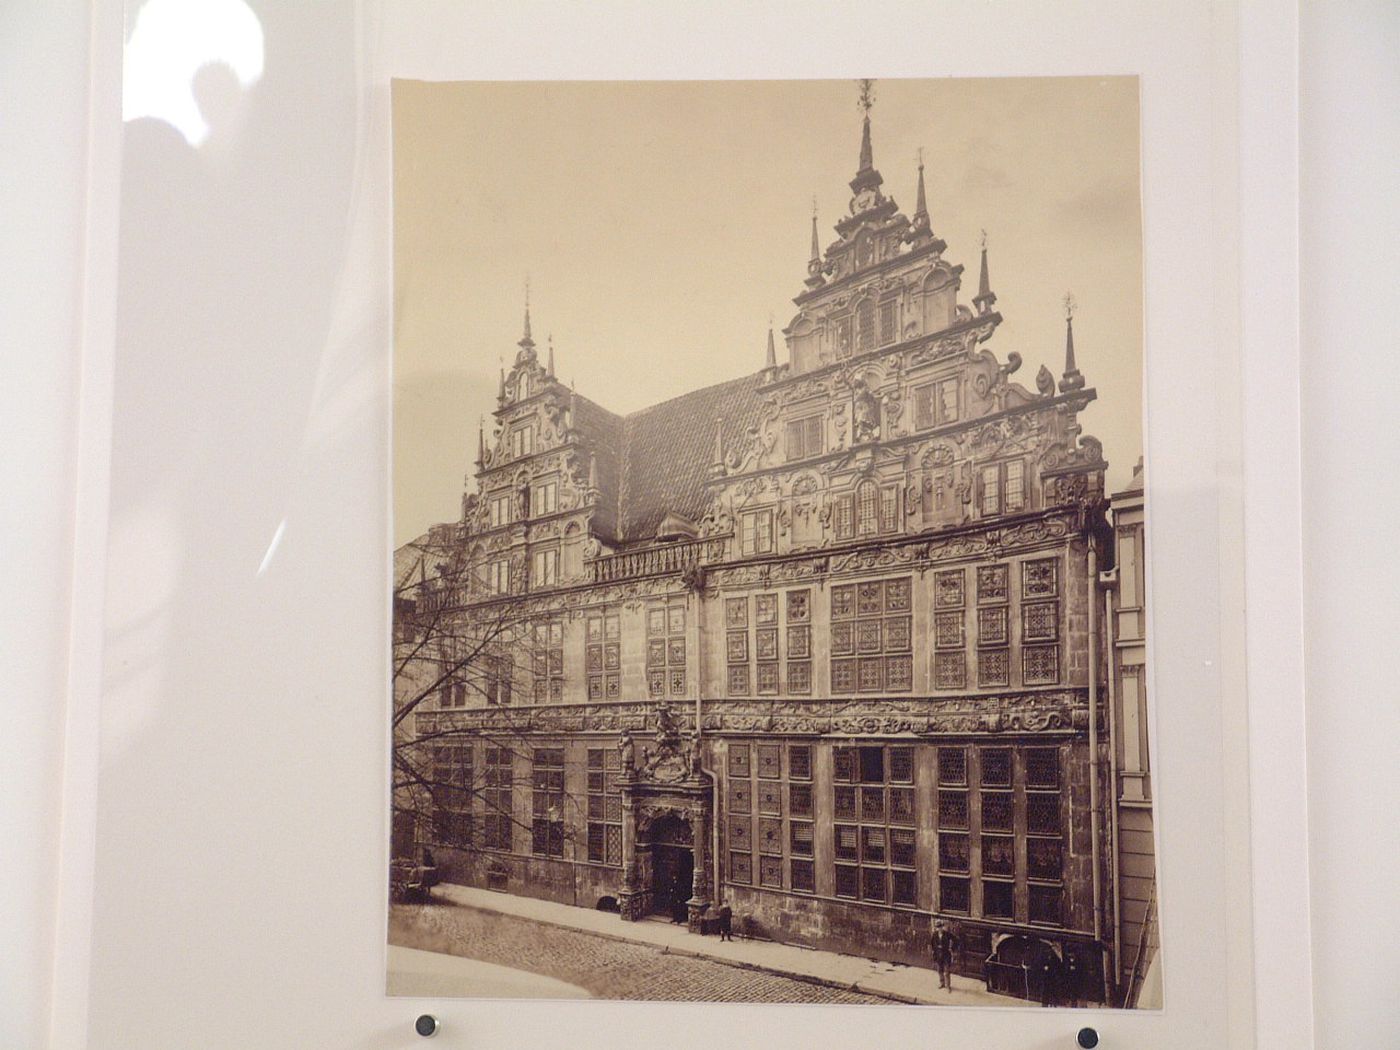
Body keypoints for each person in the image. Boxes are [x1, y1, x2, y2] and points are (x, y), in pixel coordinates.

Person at [930, 919, 960, 990]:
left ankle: (948, 985)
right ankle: (942, 983)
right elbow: (932, 943)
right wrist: (934, 950)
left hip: (946, 955)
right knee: (939, 970)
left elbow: (955, 939)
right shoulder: (934, 934)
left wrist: (952, 948)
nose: (939, 928)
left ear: (942, 927)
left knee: (947, 971)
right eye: (938, 927)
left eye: (940, 927)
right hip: (938, 955)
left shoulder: (947, 934)